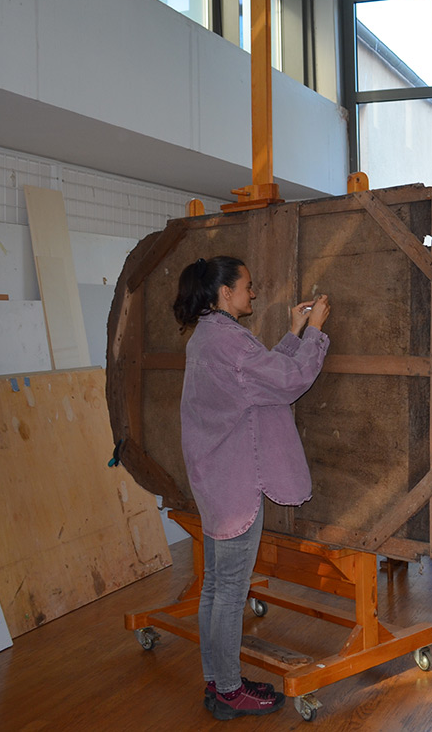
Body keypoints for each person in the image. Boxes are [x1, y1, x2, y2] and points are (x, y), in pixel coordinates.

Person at [173, 255, 331, 721]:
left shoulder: (208, 337)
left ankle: (217, 681)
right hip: (235, 482)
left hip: (216, 479)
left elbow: (258, 379)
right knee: (229, 590)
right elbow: (288, 381)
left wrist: (293, 333)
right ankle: (228, 690)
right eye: (247, 286)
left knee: (215, 587)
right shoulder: (229, 342)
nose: (253, 293)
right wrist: (315, 331)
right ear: (225, 293)